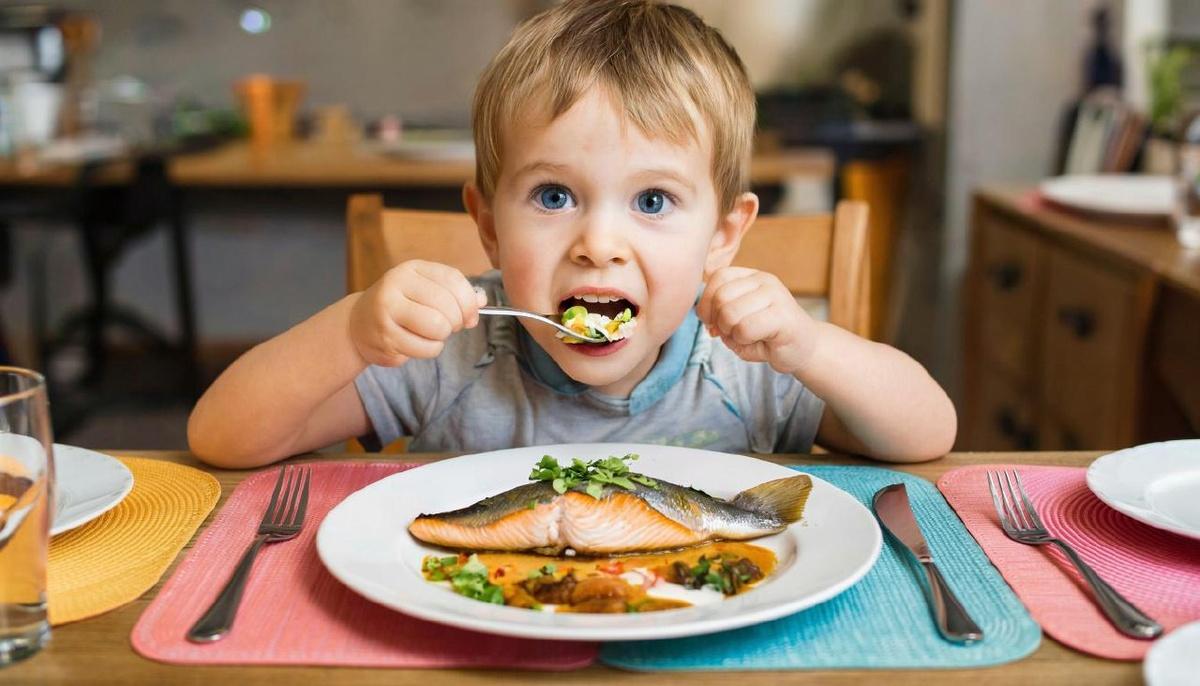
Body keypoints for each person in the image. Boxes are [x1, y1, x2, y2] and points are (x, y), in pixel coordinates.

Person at [188, 0, 956, 469]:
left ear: (723, 236)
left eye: (653, 201)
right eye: (554, 194)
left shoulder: (748, 360)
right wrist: (352, 332)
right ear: (488, 226)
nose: (600, 243)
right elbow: (224, 438)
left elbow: (928, 435)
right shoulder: (452, 351)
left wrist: (812, 349)